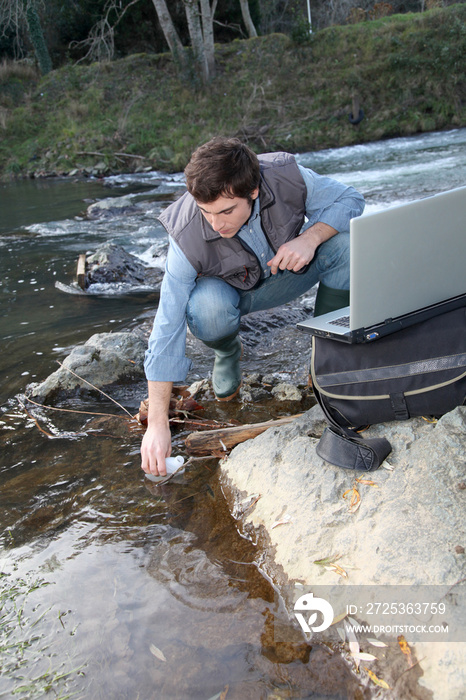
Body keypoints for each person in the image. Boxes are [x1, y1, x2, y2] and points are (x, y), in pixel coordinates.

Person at [141, 137, 365, 476]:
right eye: (206, 213)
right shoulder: (184, 232)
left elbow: (351, 199)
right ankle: (228, 353)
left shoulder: (287, 176)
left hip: (286, 274)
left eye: (227, 211)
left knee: (346, 246)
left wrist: (310, 238)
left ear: (254, 191)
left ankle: (327, 355)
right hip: (228, 295)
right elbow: (167, 322)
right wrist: (157, 424)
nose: (216, 225)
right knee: (207, 309)